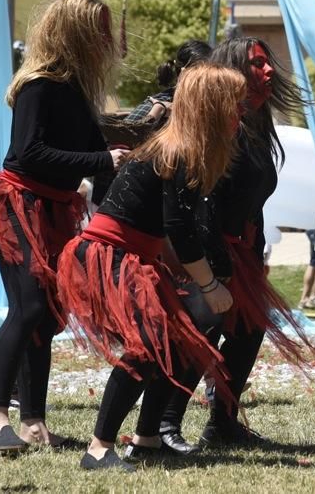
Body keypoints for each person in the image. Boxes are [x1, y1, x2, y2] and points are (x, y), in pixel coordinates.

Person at [57, 63, 245, 471]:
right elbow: (179, 228)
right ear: (210, 107)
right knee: (145, 349)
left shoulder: (185, 150)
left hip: (135, 255)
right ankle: (98, 448)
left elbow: (170, 229)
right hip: (110, 255)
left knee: (175, 346)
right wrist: (210, 286)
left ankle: (146, 440)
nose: (239, 113)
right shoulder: (175, 151)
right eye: (233, 104)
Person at [0, 0, 126, 452]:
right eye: (99, 29)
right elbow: (30, 152)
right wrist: (103, 158)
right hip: (18, 203)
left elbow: (93, 157)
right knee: (30, 308)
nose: (108, 39)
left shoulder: (76, 90)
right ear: (75, 32)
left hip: (55, 208)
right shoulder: (39, 84)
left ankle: (32, 423)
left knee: (47, 317)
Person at [156, 37, 315, 453]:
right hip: (208, 250)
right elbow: (200, 201)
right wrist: (213, 269)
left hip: (242, 250)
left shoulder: (258, 125)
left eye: (268, 63)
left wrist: (254, 252)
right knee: (202, 333)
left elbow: (255, 200)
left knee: (248, 332)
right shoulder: (217, 125)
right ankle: (164, 424)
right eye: (257, 64)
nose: (268, 71)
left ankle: (223, 424)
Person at [125, 39, 212, 125]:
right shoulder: (153, 106)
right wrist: (156, 113)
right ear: (183, 73)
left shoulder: (212, 108)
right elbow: (122, 136)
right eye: (199, 72)